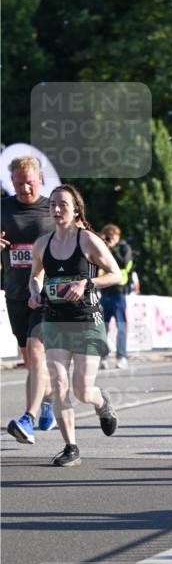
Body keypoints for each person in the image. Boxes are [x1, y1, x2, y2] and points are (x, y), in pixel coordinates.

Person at [29, 185, 122, 466]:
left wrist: (86, 283)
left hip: (86, 321)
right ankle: (71, 446)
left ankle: (101, 401)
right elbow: (36, 275)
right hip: (55, 320)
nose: (57, 210)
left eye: (63, 205)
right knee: (58, 383)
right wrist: (35, 290)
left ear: (76, 209)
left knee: (82, 390)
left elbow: (116, 275)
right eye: (53, 205)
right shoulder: (42, 244)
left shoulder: (89, 241)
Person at [2, 156, 56, 443]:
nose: (25, 189)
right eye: (19, 183)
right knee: (31, 361)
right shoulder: (2, 209)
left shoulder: (53, 209)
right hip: (15, 294)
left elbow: (78, 242)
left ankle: (28, 418)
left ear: (40, 179)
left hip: (48, 295)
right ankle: (47, 399)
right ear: (12, 182)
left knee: (36, 351)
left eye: (30, 182)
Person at [99, 223, 133, 370]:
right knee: (102, 327)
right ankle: (103, 358)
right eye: (107, 236)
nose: (110, 238)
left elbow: (124, 263)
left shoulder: (124, 248)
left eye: (112, 236)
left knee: (121, 326)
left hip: (119, 293)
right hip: (105, 292)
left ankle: (122, 357)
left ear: (118, 237)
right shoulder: (102, 249)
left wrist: (112, 248)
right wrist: (103, 246)